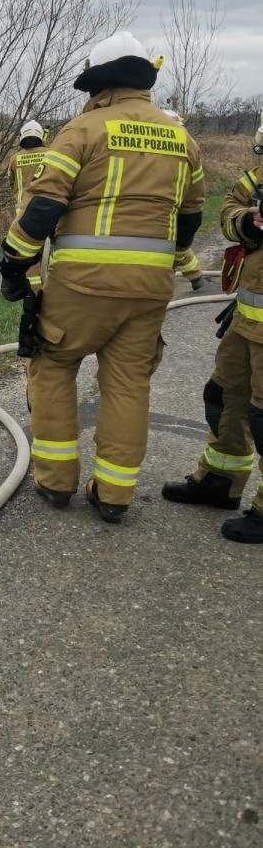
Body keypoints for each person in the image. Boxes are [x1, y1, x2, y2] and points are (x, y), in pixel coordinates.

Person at [0, 32, 205, 523]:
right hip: (150, 290)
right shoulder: (183, 140)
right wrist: (173, 261)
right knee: (129, 383)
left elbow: (43, 207)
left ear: (98, 82)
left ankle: (55, 481)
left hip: (82, 285)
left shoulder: (83, 130)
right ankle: (114, 494)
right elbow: (191, 216)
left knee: (52, 365)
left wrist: (14, 264)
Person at [162, 114, 263, 544]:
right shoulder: (257, 177)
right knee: (226, 396)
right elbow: (228, 211)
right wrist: (246, 222)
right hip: (247, 318)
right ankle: (220, 481)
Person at [163, 109, 205, 291]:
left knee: (175, 246)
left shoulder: (180, 142)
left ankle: (192, 276)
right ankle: (195, 276)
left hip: (172, 204)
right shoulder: (185, 142)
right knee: (177, 244)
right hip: (178, 204)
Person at [6, 119, 48, 290]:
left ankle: (33, 291)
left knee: (28, 253)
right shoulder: (51, 154)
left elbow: (11, 183)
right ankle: (50, 285)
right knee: (49, 250)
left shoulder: (15, 159)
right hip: (48, 211)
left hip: (23, 215)